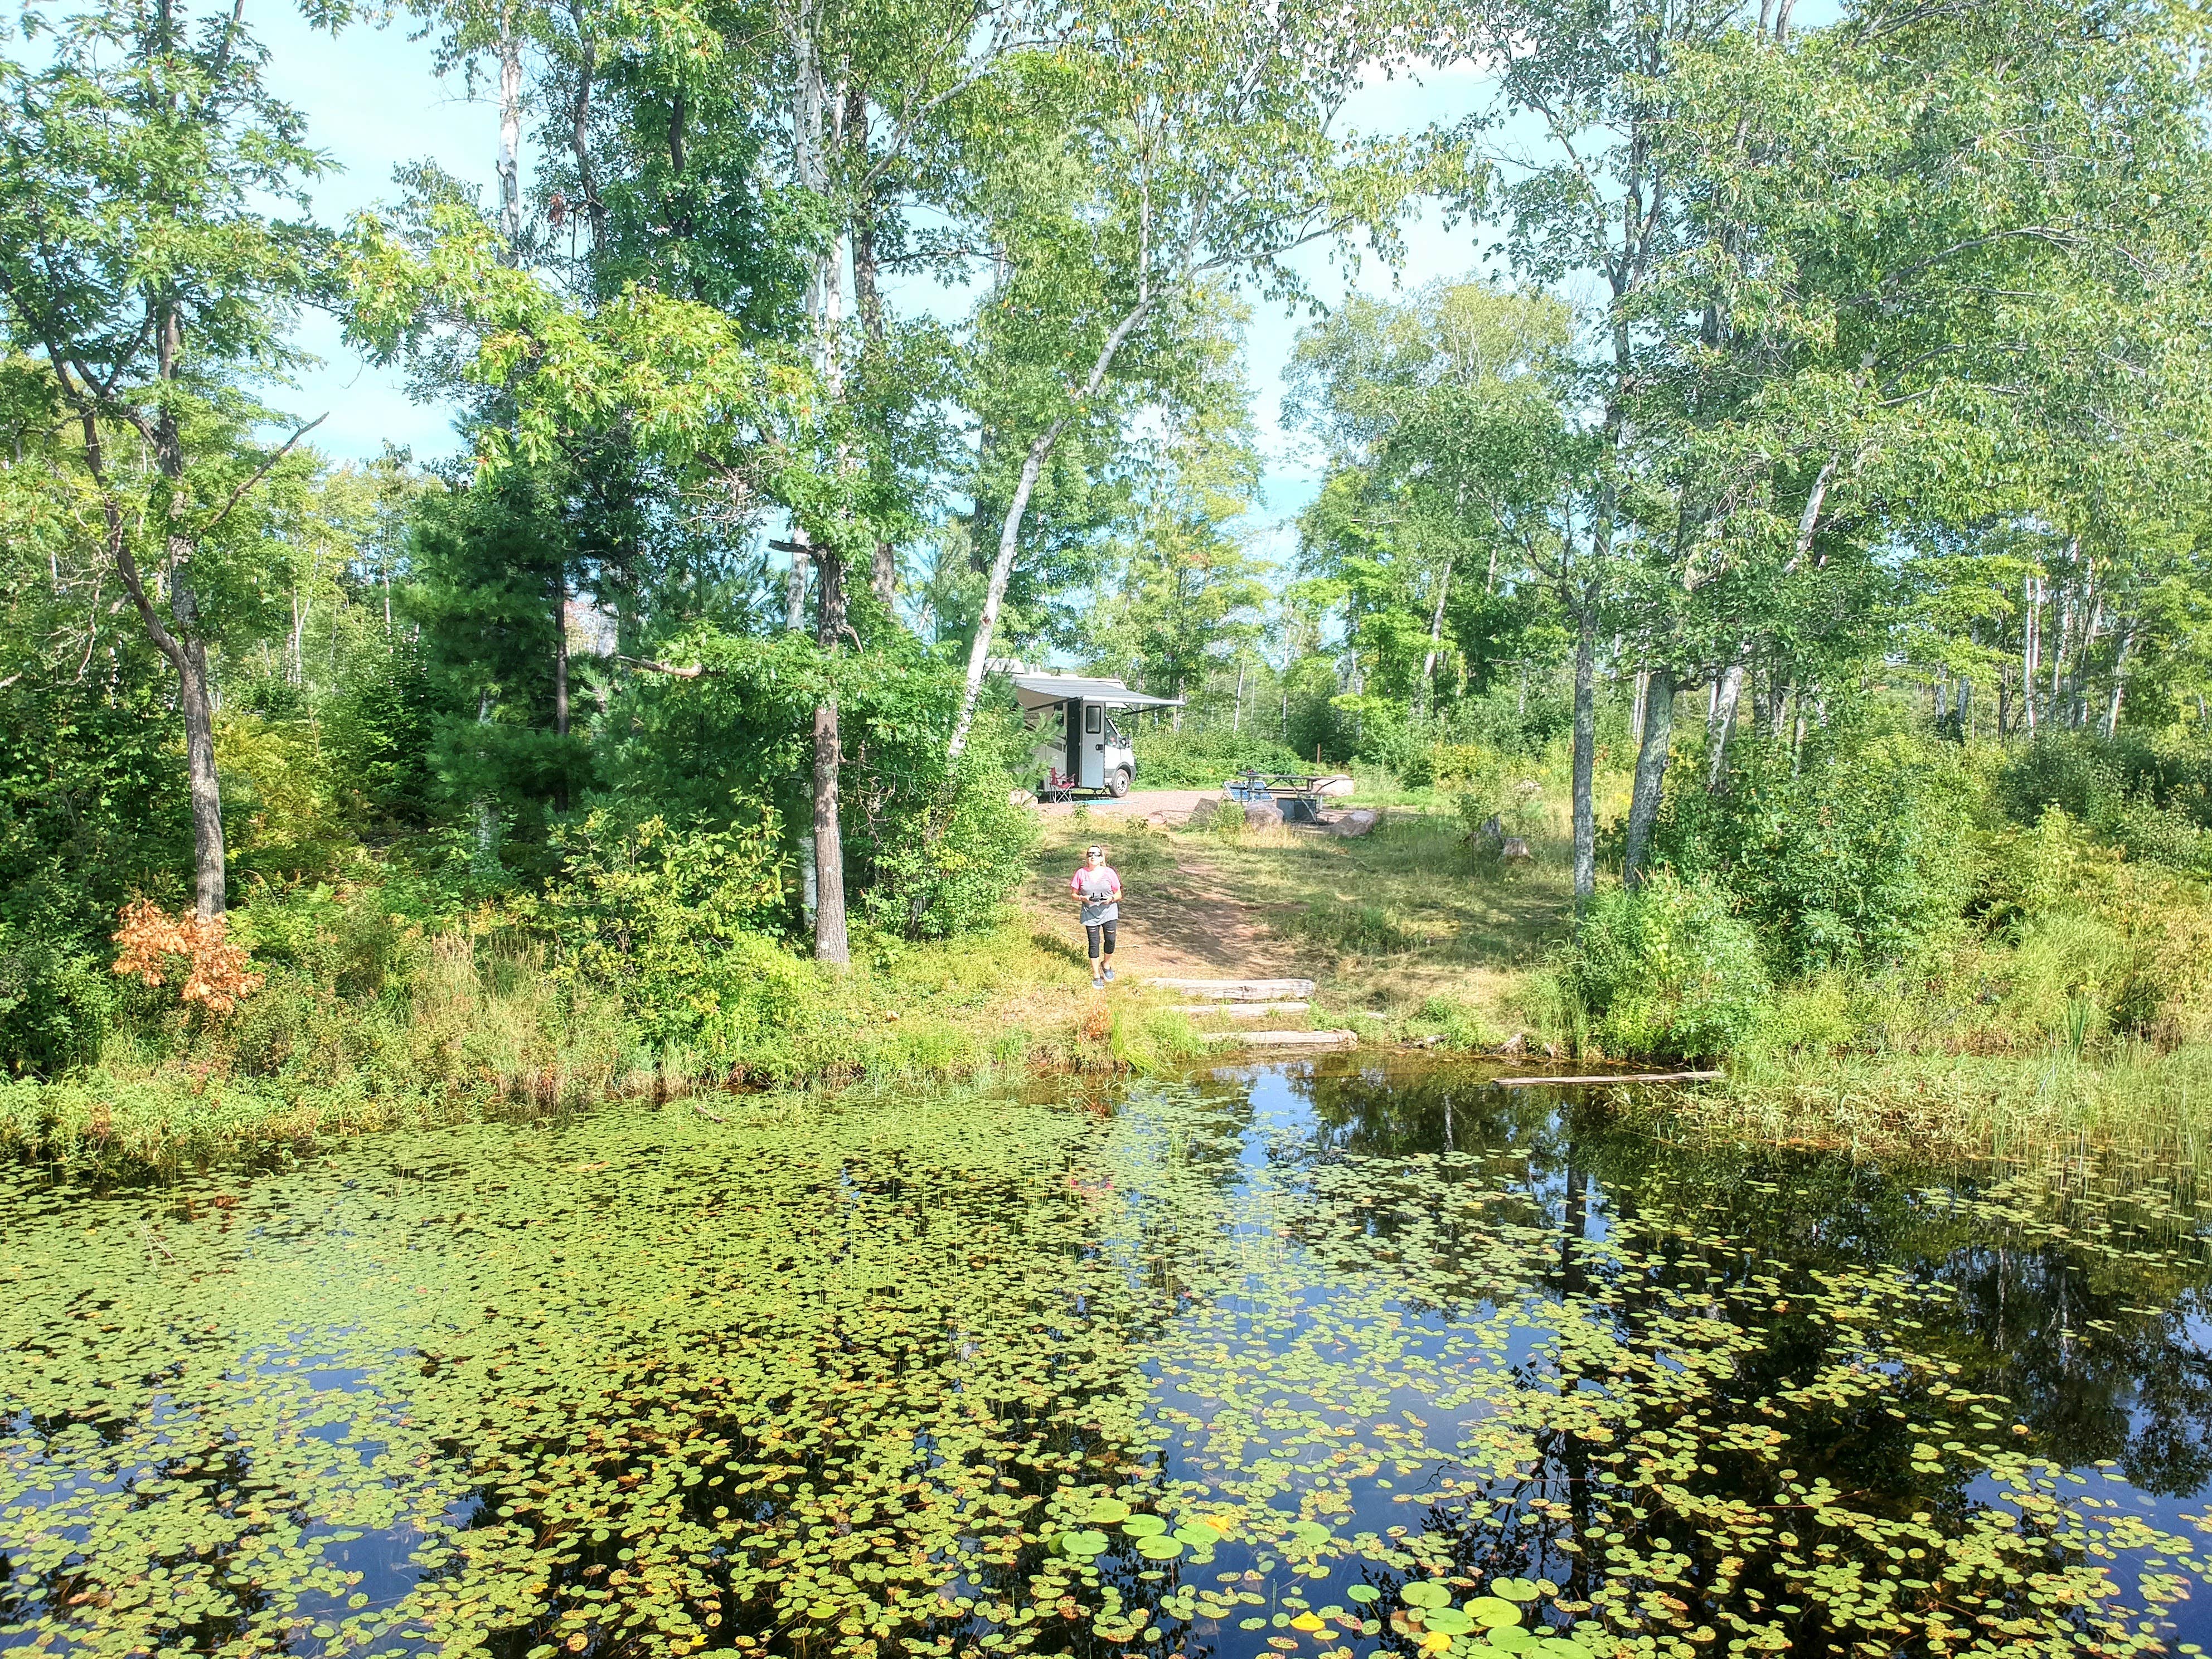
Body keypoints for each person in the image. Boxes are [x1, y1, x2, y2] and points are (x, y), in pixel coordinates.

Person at [1070, 844, 1122, 988]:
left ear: (1102, 857)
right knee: (1094, 943)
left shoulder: (1109, 872)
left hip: (1109, 911)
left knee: (1110, 940)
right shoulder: (1081, 873)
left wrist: (1111, 899)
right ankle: (1096, 975)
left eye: (1097, 854)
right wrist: (1082, 898)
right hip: (1090, 913)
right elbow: (1074, 894)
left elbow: (1119, 894)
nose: (1093, 856)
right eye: (1090, 854)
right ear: (1087, 858)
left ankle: (1106, 964)